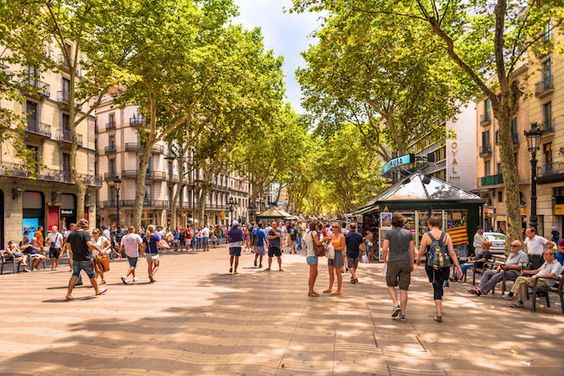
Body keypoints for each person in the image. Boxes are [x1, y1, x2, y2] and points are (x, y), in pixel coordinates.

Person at [416, 217, 463, 322]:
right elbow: (451, 253)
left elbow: (421, 251)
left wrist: (418, 260)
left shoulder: (426, 235)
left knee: (436, 286)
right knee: (440, 284)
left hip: (432, 265)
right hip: (445, 265)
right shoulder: (446, 236)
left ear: (429, 224)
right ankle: (440, 300)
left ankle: (438, 313)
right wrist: (458, 267)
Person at [382, 213, 415, 321]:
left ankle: (396, 304)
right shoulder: (408, 233)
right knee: (404, 289)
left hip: (393, 260)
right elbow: (412, 249)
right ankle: (403, 314)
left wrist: (384, 259)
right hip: (405, 261)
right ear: (402, 222)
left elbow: (385, 248)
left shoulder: (388, 233)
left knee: (390, 284)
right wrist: (412, 262)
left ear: (392, 222)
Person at [65, 219, 107, 301]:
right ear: (84, 225)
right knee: (91, 275)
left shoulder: (72, 234)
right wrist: (100, 250)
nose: (89, 226)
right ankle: (97, 291)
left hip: (76, 259)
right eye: (88, 224)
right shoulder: (85, 234)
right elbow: (90, 244)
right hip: (85, 258)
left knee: (75, 275)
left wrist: (76, 250)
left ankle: (69, 294)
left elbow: (68, 247)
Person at [323, 222, 346, 296]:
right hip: (330, 254)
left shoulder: (341, 236)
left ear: (339, 228)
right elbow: (327, 244)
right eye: (333, 227)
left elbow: (343, 247)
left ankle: (338, 290)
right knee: (330, 272)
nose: (334, 228)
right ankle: (330, 288)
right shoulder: (331, 236)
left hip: (338, 254)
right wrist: (327, 241)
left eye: (336, 227)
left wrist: (335, 248)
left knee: (338, 272)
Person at [304, 221, 323, 297]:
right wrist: (324, 239)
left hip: (309, 255)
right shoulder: (314, 232)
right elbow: (318, 243)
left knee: (315, 273)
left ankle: (311, 290)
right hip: (312, 255)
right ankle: (310, 291)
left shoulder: (308, 233)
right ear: (315, 226)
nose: (318, 227)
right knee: (312, 274)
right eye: (317, 226)